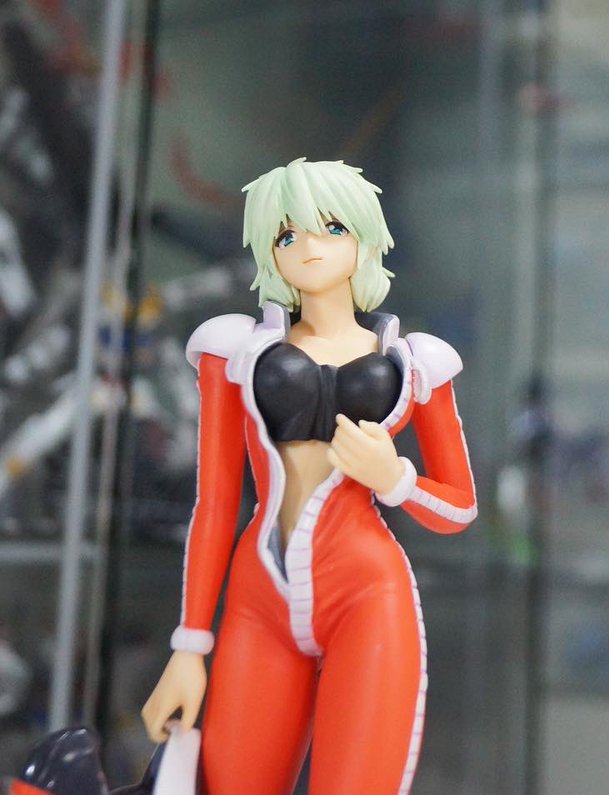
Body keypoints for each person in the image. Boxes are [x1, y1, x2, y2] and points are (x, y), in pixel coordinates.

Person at [140, 158, 476, 794]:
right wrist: (189, 646)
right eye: (287, 234)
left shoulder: (415, 361)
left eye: (331, 227)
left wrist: (396, 479)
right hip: (258, 599)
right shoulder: (235, 349)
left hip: (367, 595)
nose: (308, 247)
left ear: (364, 237)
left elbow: (459, 507)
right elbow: (214, 503)